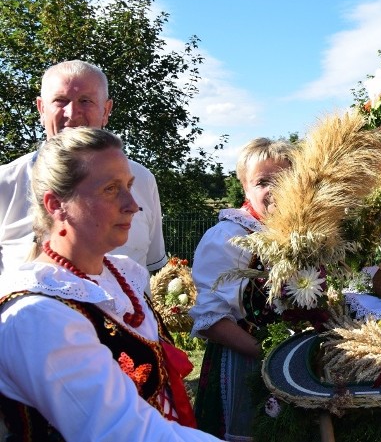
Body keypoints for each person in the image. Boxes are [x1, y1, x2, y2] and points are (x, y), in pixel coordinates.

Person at [0, 127, 221, 441]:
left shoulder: (119, 277)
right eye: (111, 189)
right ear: (55, 204)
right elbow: (123, 432)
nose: (132, 204)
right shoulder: (38, 315)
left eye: (129, 186)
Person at [0, 59, 167, 275]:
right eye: (60, 100)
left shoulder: (142, 180)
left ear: (106, 110)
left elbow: (154, 267)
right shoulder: (5, 182)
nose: (72, 113)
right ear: (41, 109)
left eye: (85, 101)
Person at [190, 137, 293, 441]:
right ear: (244, 186)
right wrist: (268, 354)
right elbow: (210, 321)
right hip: (242, 365)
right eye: (262, 181)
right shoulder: (226, 236)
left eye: (284, 179)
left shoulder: (297, 235)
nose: (274, 189)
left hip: (291, 365)